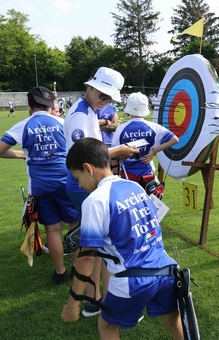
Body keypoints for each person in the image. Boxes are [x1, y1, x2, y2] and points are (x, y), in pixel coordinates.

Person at [61, 138, 183, 340]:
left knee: (107, 326)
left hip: (133, 280)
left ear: (88, 168)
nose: (80, 186)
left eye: (77, 178)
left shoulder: (95, 200)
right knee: (172, 318)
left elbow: (86, 260)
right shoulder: (134, 187)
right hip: (167, 270)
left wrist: (73, 303)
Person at [64, 66, 139, 317]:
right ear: (92, 87)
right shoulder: (81, 115)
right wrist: (120, 151)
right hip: (84, 184)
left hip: (86, 182)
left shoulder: (85, 111)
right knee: (103, 248)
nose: (105, 102)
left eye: (109, 98)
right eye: (103, 96)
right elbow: (86, 158)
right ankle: (104, 300)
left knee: (97, 249)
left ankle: (95, 300)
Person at [0, 86, 80, 284]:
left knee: (52, 229)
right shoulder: (62, 122)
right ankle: (77, 269)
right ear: (52, 104)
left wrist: (22, 154)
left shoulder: (24, 124)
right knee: (75, 225)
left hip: (40, 187)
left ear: (30, 105)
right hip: (66, 182)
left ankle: (60, 272)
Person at [112, 92, 179, 196]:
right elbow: (174, 139)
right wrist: (153, 152)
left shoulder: (121, 129)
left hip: (127, 177)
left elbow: (114, 154)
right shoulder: (153, 127)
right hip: (147, 177)